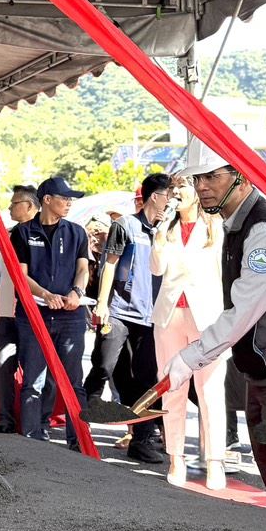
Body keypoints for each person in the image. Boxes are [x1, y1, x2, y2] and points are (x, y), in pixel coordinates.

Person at [162, 136, 266, 521]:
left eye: (211, 176)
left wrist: (192, 356)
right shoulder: (238, 223)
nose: (202, 186)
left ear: (240, 176)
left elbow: (245, 307)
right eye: (197, 179)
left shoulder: (263, 230)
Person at [151, 173, 228, 490]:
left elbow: (225, 271)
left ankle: (215, 460)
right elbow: (156, 268)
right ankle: (176, 457)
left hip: (206, 317)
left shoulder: (216, 226)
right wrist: (158, 236)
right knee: (172, 387)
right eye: (172, 188)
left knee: (210, 390)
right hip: (170, 315)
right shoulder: (167, 228)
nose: (175, 193)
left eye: (181, 186)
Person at [90, 173, 171, 464]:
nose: (170, 202)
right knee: (104, 366)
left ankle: (142, 440)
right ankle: (80, 428)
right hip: (120, 311)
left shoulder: (167, 229)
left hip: (152, 316)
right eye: (168, 196)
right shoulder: (125, 225)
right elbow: (109, 265)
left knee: (147, 379)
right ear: (154, 197)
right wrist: (102, 304)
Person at [12, 175, 92, 448]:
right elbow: (20, 276)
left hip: (71, 316)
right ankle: (32, 441)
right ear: (47, 200)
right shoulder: (22, 232)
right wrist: (46, 295)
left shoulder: (77, 232)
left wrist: (76, 293)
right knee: (33, 381)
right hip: (34, 315)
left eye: (70, 200)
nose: (69, 203)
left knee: (73, 382)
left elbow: (83, 269)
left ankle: (79, 441)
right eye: (64, 198)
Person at [0, 184, 38, 433]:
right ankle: (5, 420)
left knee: (34, 370)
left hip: (34, 313)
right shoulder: (7, 236)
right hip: (6, 313)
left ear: (29, 206)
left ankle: (34, 423)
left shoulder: (42, 235)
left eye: (14, 203)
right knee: (3, 368)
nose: (9, 208)